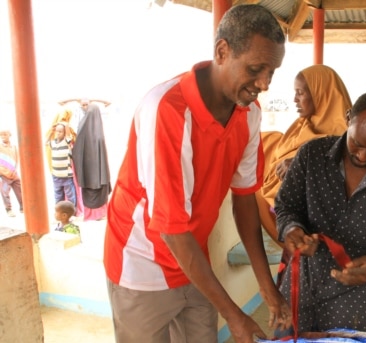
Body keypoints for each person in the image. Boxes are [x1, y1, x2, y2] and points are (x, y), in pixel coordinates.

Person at [103, 5, 289, 343]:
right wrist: (234, 315)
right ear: (222, 52)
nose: (264, 83)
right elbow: (172, 230)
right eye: (255, 69)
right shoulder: (168, 111)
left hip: (193, 264)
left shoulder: (248, 114)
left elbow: (245, 198)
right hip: (141, 265)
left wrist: (268, 288)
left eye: (272, 72)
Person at [274, 91, 366, 335]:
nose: (363, 156)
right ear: (348, 118)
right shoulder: (312, 155)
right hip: (300, 286)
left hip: (354, 299)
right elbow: (286, 205)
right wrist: (294, 231)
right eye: (357, 144)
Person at [256, 64, 352, 244]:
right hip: (293, 230)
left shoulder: (349, 135)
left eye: (300, 93)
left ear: (320, 94)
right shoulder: (299, 128)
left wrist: (303, 164)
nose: (294, 99)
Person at [72, 104, 111, 221]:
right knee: (98, 188)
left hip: (86, 174)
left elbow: (75, 151)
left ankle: (90, 214)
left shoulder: (81, 129)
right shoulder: (100, 135)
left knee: (88, 189)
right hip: (100, 173)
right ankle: (101, 214)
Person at [48, 122, 77, 206]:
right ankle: (59, 211)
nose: (58, 133)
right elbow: (46, 140)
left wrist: (63, 123)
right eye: (57, 131)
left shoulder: (66, 141)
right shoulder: (52, 143)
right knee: (58, 196)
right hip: (56, 175)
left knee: (70, 195)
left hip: (66, 176)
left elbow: (68, 132)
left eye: (60, 131)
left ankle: (71, 212)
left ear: (64, 133)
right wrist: (51, 130)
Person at [0, 129, 23, 217]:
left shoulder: (13, 146)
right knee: (5, 191)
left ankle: (23, 207)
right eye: (1, 135)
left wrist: (14, 170)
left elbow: (16, 159)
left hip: (13, 172)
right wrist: (3, 171)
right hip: (3, 173)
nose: (3, 137)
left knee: (19, 190)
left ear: (9, 135)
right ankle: (8, 209)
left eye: (5, 134)